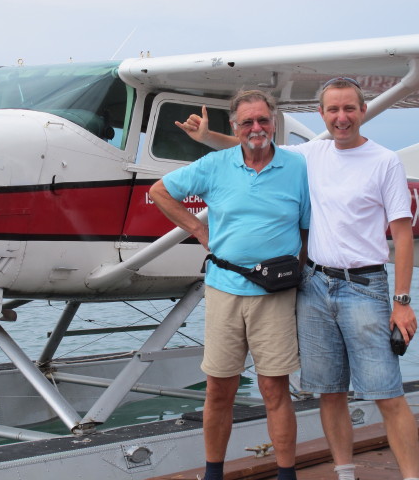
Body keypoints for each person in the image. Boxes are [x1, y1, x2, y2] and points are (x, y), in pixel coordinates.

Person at [176, 78, 419, 480]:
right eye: (332, 110)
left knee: (387, 393)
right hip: (313, 285)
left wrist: (403, 301)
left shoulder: (385, 161)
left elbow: (403, 232)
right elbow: (255, 144)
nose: (341, 118)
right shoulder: (311, 154)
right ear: (322, 115)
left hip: (364, 286)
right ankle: (345, 473)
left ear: (363, 111)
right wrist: (207, 136)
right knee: (330, 391)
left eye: (349, 109)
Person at [150, 90, 310, 480]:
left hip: (274, 296)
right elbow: (159, 191)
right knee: (219, 389)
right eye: (247, 122)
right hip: (224, 290)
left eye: (263, 121)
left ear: (273, 123)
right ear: (235, 128)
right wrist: (197, 229)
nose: (257, 128)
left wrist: (295, 277)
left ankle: (286, 474)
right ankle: (213, 473)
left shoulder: (297, 167)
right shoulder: (215, 164)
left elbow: (306, 229)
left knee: (275, 390)